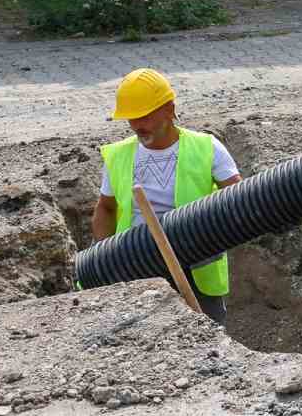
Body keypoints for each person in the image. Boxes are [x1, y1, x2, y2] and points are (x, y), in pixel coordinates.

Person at [91, 68, 241, 323]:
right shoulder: (118, 156)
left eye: (145, 116)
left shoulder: (206, 147)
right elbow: (106, 208)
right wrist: (102, 259)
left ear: (169, 110)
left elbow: (239, 198)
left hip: (197, 261)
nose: (137, 125)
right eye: (131, 118)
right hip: (136, 264)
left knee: (209, 339)